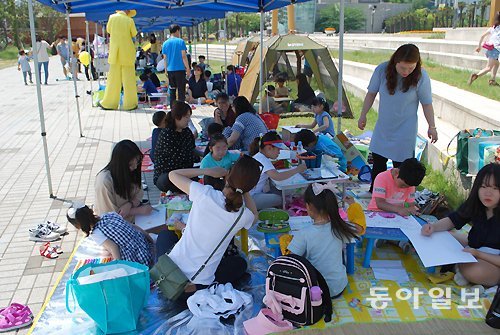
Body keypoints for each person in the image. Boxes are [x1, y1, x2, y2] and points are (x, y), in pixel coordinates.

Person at [155, 156, 261, 296]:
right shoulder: (243, 215)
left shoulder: (205, 193)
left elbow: (172, 175)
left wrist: (208, 171)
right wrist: (244, 189)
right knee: (240, 263)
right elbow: (255, 216)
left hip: (169, 273)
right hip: (199, 284)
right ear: (252, 187)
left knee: (164, 235)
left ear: (228, 175)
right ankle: (196, 286)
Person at [357, 44, 438, 193]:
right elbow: (371, 93)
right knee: (378, 165)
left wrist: (432, 126)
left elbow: (427, 104)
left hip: (405, 129)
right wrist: (363, 114)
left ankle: (399, 195)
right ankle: (376, 192)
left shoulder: (421, 76)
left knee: (401, 167)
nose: (406, 72)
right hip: (384, 126)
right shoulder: (382, 70)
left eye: (411, 68)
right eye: (402, 68)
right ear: (395, 61)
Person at [421, 163, 500, 287]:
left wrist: (478, 254)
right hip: (473, 248)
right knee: (438, 236)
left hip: (493, 261)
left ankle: (459, 267)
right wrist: (433, 227)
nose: (488, 193)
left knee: (475, 271)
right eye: (483, 186)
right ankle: (459, 267)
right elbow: (453, 220)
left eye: (495, 188)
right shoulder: (476, 204)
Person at [286, 184, 359, 298]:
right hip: (338, 285)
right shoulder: (340, 227)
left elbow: (291, 261)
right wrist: (353, 205)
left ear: (308, 207)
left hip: (316, 290)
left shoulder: (304, 233)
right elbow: (359, 227)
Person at [67, 205, 154, 267]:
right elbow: (133, 226)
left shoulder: (96, 233)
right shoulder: (109, 215)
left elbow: (114, 248)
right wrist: (150, 239)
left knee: (107, 254)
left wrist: (118, 267)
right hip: (144, 247)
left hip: (138, 260)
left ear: (79, 225)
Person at [95, 140, 153, 223]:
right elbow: (109, 216)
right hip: (114, 226)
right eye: (130, 165)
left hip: (133, 219)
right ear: (120, 164)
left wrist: (130, 204)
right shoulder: (104, 181)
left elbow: (139, 194)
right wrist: (138, 210)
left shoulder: (131, 171)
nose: (135, 167)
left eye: (137, 162)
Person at [249, 131, 307, 210]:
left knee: (279, 192)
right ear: (269, 148)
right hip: (250, 199)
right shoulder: (263, 159)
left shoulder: (259, 156)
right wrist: (297, 169)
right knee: (282, 199)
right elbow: (277, 176)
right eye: (278, 149)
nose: (279, 152)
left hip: (249, 195)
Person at [99, 10, 138, 111]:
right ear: (128, 12)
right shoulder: (130, 20)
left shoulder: (111, 17)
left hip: (115, 52)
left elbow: (108, 30)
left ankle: (109, 103)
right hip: (127, 52)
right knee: (129, 80)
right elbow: (134, 33)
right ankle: (130, 104)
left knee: (113, 79)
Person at [154, 101, 195, 193]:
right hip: (166, 176)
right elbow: (180, 158)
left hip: (185, 172)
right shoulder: (166, 134)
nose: (188, 120)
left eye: (189, 117)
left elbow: (192, 150)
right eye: (186, 117)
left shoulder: (186, 131)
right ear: (177, 117)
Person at [162, 24, 191, 107]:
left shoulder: (165, 43)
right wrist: (188, 68)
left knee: (172, 90)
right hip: (180, 69)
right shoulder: (180, 41)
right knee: (181, 90)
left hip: (170, 69)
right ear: (177, 31)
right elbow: (183, 56)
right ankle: (181, 108)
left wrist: (166, 69)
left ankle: (173, 108)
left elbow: (165, 58)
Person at [469, 12, 500, 87]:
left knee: (497, 64)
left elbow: (482, 36)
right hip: (495, 50)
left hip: (489, 49)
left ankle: (492, 80)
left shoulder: (493, 28)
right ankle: (475, 76)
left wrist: (479, 47)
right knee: (488, 68)